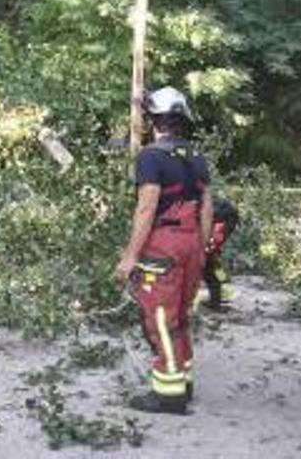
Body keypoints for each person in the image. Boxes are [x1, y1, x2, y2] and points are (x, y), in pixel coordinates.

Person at [114, 86, 213, 415]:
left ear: (154, 120)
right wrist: (201, 251)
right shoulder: (196, 158)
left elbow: (146, 209)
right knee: (181, 317)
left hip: (163, 245)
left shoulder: (151, 157)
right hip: (192, 243)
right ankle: (183, 380)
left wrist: (129, 257)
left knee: (160, 318)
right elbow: (207, 209)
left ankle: (168, 395)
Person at [203, 196, 239, 311]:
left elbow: (216, 236)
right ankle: (224, 288)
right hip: (222, 218)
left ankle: (218, 299)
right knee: (213, 264)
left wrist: (210, 248)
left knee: (211, 267)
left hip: (224, 217)